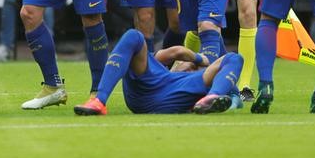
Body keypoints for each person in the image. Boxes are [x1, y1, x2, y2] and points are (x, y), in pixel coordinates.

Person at [73, 29, 244, 115]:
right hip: (147, 89)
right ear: (174, 65)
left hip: (182, 92)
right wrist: (199, 59)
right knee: (134, 35)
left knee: (235, 58)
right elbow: (176, 52)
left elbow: (178, 52)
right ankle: (99, 101)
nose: (188, 65)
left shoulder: (196, 78)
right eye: (186, 63)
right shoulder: (156, 64)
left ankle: (210, 100)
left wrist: (202, 62)